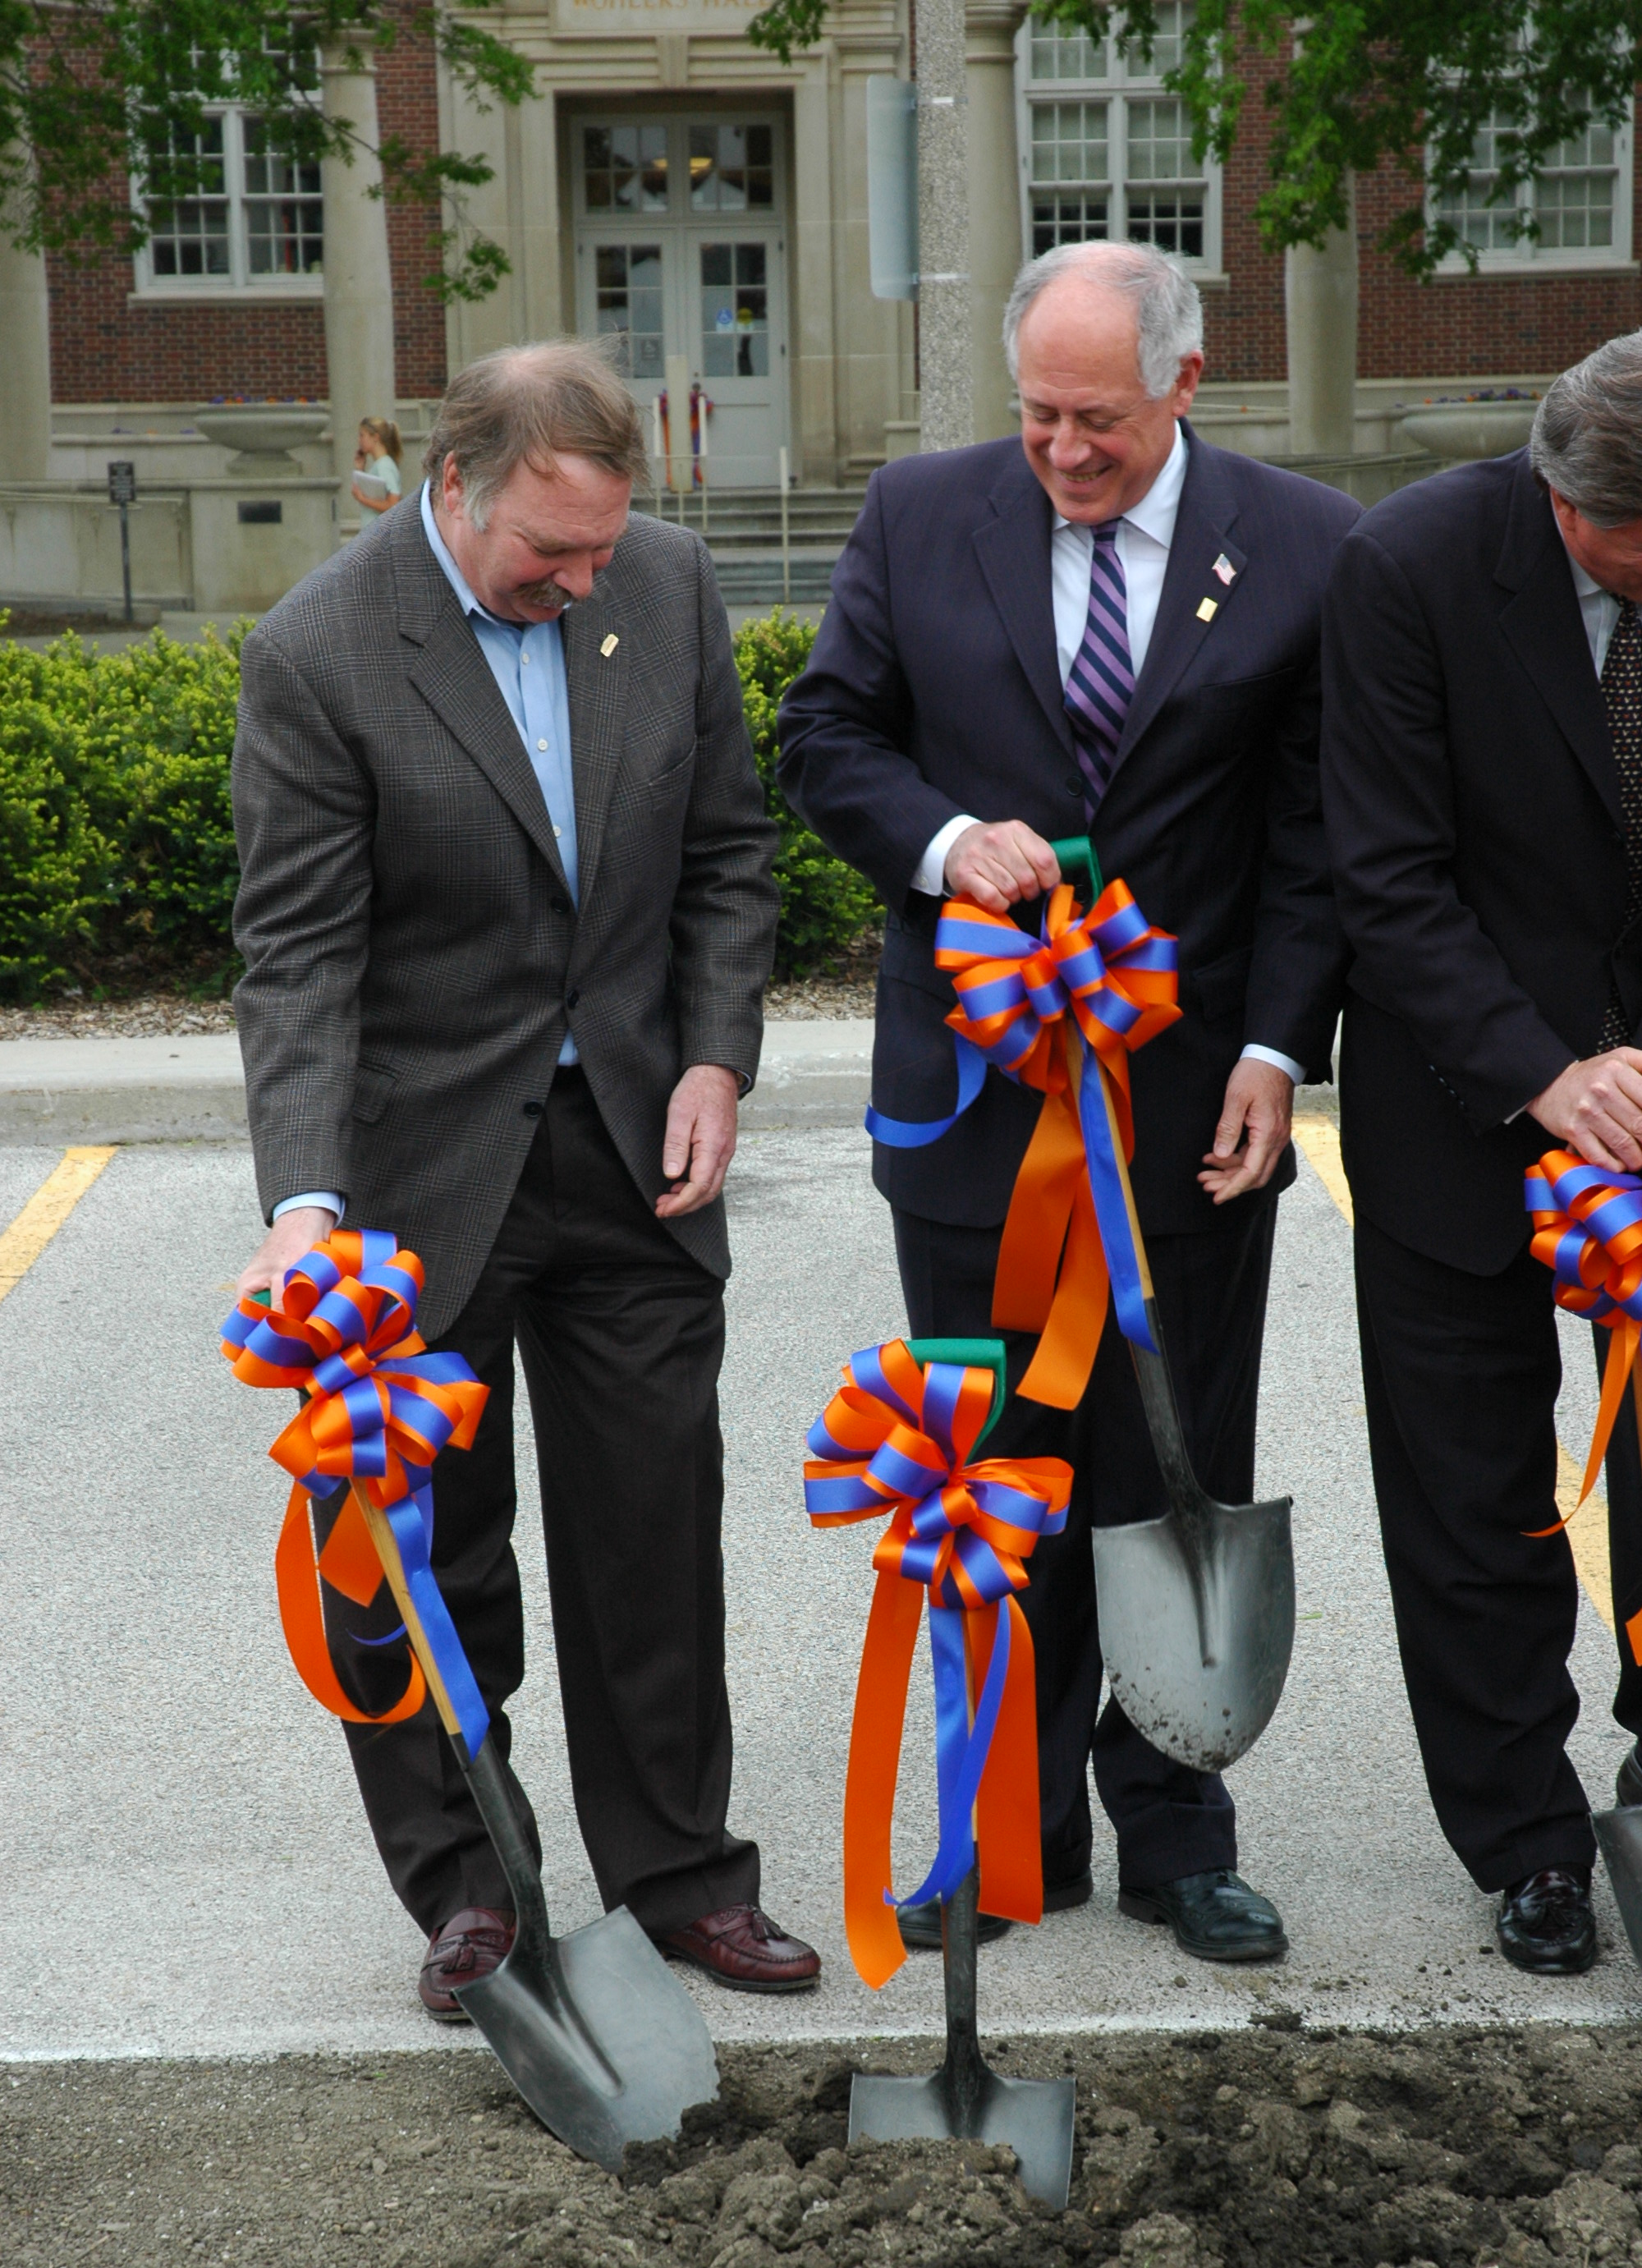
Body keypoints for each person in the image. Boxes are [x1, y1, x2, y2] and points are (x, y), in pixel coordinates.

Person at [777, 241, 1357, 1965]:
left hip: (1197, 1113)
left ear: (1185, 383)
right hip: (977, 1109)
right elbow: (824, 739)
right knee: (990, 1468)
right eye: (1038, 412)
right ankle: (1003, 1833)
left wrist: (1277, 1054)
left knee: (1170, 1462)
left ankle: (1177, 1830)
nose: (1064, 449)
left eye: (1098, 418)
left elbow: (1316, 833)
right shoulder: (918, 514)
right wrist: (950, 841)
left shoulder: (1307, 544)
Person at [232, 339, 820, 2010]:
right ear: (456, 485)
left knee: (654, 1534)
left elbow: (727, 853)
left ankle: (681, 1876)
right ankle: (469, 1886)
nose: (582, 582)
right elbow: (298, 956)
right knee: (431, 1551)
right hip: (419, 1176)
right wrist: (305, 1207)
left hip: (634, 1148)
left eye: (602, 547)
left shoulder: (667, 583)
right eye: (550, 553)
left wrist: (714, 1057)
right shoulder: (321, 650)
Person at [1323, 332, 1642, 1976]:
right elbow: (1385, 872)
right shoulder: (1411, 567)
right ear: (1560, 497)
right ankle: (1524, 1837)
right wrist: (1546, 1073)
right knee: (1471, 1496)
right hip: (1459, 1100)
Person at [351, 416, 402, 522]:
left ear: (375, 437)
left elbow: (393, 504)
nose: (359, 440)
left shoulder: (384, 465)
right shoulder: (380, 465)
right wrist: (360, 470)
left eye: (362, 435)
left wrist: (362, 499)